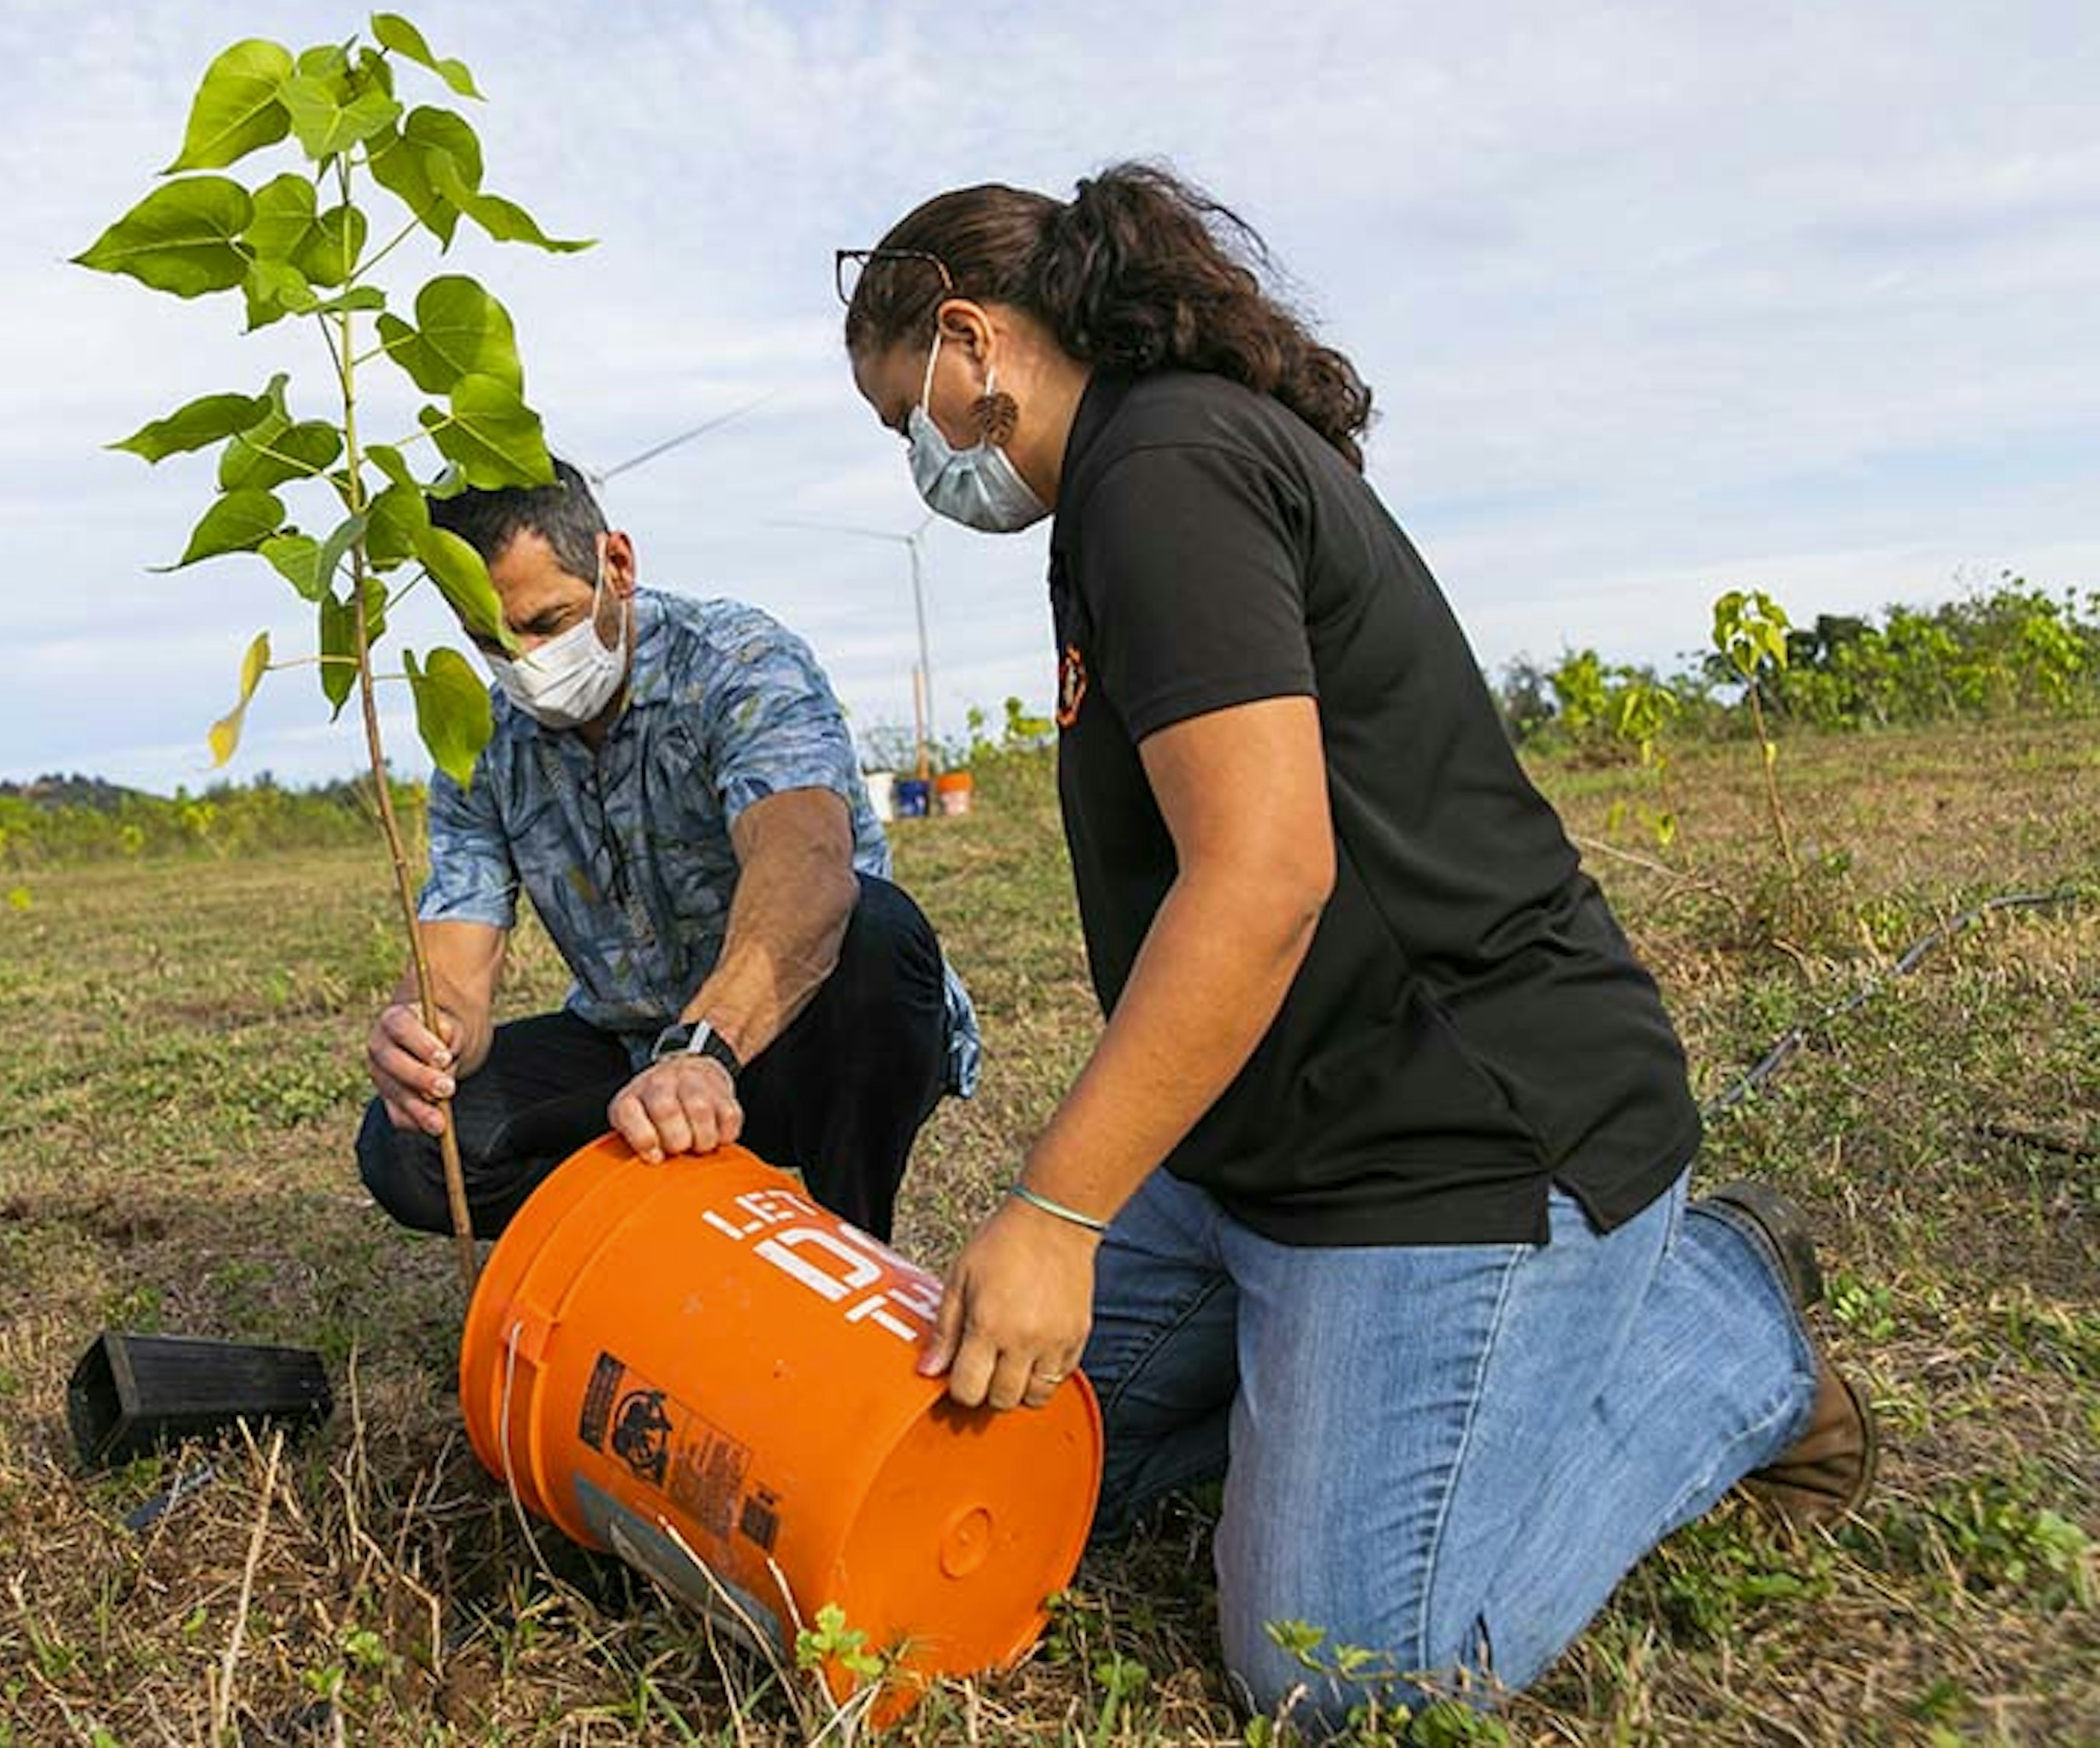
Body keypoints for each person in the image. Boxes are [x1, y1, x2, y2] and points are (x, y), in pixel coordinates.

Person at [835, 165, 1875, 1729]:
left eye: (902, 413)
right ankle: (1314, 1381)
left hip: (1457, 1132)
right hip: (1267, 1149)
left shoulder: (1161, 467)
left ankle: (1725, 1314)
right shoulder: (1124, 484)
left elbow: (1261, 882)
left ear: (972, 342)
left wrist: (1055, 1207)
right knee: (988, 1441)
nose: (920, 460)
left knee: (1337, 1665)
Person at [354, 460, 979, 1245]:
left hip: (789, 1038)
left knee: (873, 935)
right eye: (491, 639)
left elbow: (806, 869)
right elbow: (458, 955)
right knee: (408, 1144)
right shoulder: (484, 739)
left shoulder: (738, 663)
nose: (526, 663)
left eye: (549, 623)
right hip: (630, 1059)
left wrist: (703, 1050)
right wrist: (425, 1030)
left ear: (617, 564)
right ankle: (671, 1241)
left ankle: (850, 1241)